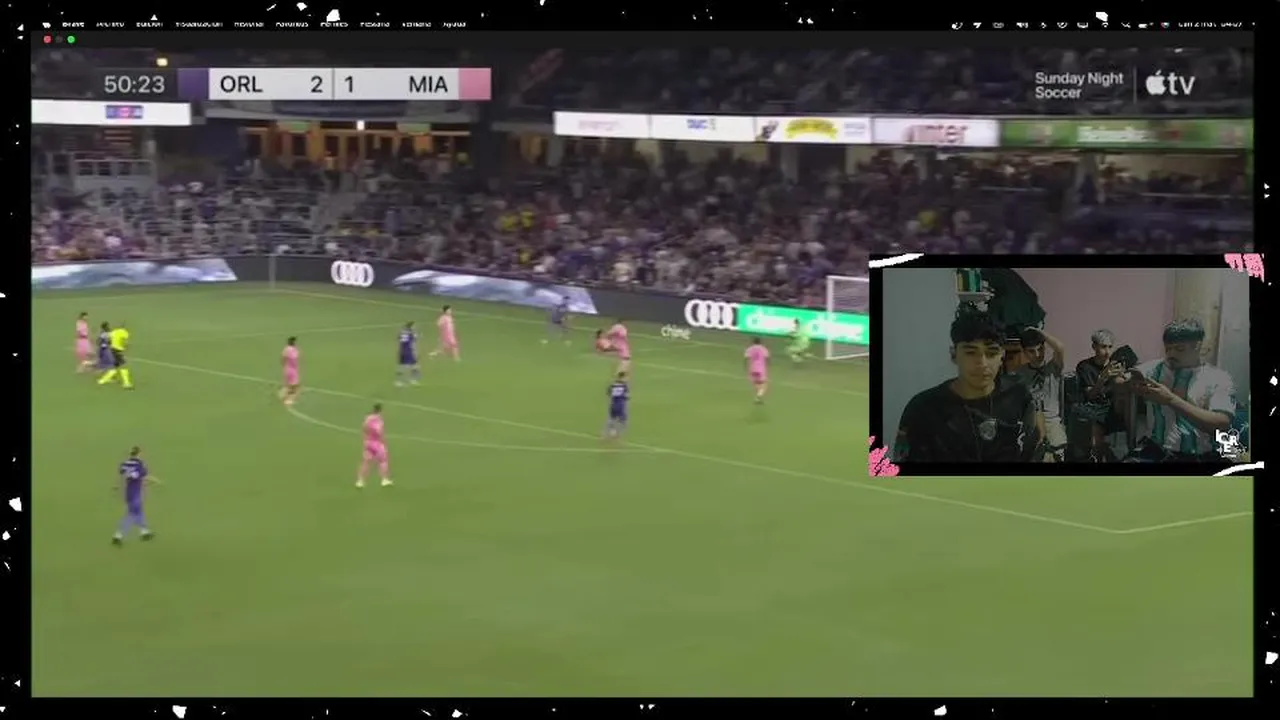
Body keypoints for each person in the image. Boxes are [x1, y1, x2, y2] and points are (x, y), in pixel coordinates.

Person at [892, 311, 1040, 463]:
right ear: (954, 355)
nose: (982, 363)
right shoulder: (923, 408)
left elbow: (1032, 447)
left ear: (1002, 355)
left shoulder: (1018, 396)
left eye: (991, 353)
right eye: (970, 353)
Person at [1117, 318, 1237, 462]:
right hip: (1154, 448)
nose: (1171, 354)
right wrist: (1127, 383)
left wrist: (1170, 400)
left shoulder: (1219, 378)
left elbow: (1221, 424)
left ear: (1197, 346)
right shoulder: (1155, 368)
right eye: (1168, 349)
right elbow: (1121, 380)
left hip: (1196, 455)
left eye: (1179, 349)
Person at [1013, 327, 1068, 462]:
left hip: (1053, 422)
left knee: (1057, 454)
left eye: (1040, 349)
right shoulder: (1019, 374)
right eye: (1031, 351)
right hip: (1031, 424)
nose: (1037, 355)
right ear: (1024, 352)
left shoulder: (1053, 367)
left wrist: (1037, 330)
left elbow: (1060, 347)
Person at [1074, 329, 1128, 461]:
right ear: (1094, 347)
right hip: (1093, 408)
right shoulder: (1084, 366)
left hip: (1113, 407)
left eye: (1110, 347)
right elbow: (1091, 395)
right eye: (1103, 347)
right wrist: (1102, 378)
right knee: (1096, 443)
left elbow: (1120, 391)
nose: (1107, 352)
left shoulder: (1115, 365)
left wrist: (1121, 377)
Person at [112, 446, 156, 545]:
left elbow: (121, 475)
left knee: (138, 512)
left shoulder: (125, 463)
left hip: (128, 492)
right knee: (131, 515)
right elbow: (144, 476)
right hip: (136, 492)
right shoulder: (140, 464)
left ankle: (145, 532)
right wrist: (156, 481)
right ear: (139, 454)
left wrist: (117, 486)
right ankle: (118, 536)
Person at [357, 404, 393, 488]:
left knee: (366, 462)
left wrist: (366, 437)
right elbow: (379, 432)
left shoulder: (368, 418)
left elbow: (364, 427)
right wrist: (383, 441)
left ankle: (360, 481)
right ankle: (384, 480)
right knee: (383, 461)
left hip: (368, 443)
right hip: (377, 444)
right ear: (380, 411)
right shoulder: (379, 420)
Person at [97, 322, 133, 389]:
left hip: (112, 350)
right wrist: (126, 346)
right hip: (118, 351)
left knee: (115, 368)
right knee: (124, 367)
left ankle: (102, 380)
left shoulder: (114, 331)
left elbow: (108, 339)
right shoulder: (123, 332)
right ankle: (126, 383)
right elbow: (125, 341)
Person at [744, 337, 770, 403]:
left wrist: (745, 366)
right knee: (764, 384)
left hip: (752, 367)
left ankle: (758, 397)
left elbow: (746, 358)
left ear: (753, 342)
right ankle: (759, 396)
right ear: (760, 342)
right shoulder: (763, 349)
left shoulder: (750, 348)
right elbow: (767, 357)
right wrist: (768, 365)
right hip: (761, 368)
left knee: (756, 383)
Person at [605, 372, 629, 440]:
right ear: (622, 377)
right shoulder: (624, 386)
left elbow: (608, 393)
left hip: (613, 404)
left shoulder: (613, 385)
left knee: (612, 418)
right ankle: (617, 433)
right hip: (620, 405)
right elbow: (626, 396)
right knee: (623, 420)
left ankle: (612, 432)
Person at [279, 337, 300, 405]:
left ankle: (284, 397)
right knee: (293, 386)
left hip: (293, 369)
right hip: (290, 370)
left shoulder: (293, 349)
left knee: (292, 385)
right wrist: (284, 365)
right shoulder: (288, 349)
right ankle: (286, 399)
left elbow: (283, 358)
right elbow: (283, 358)